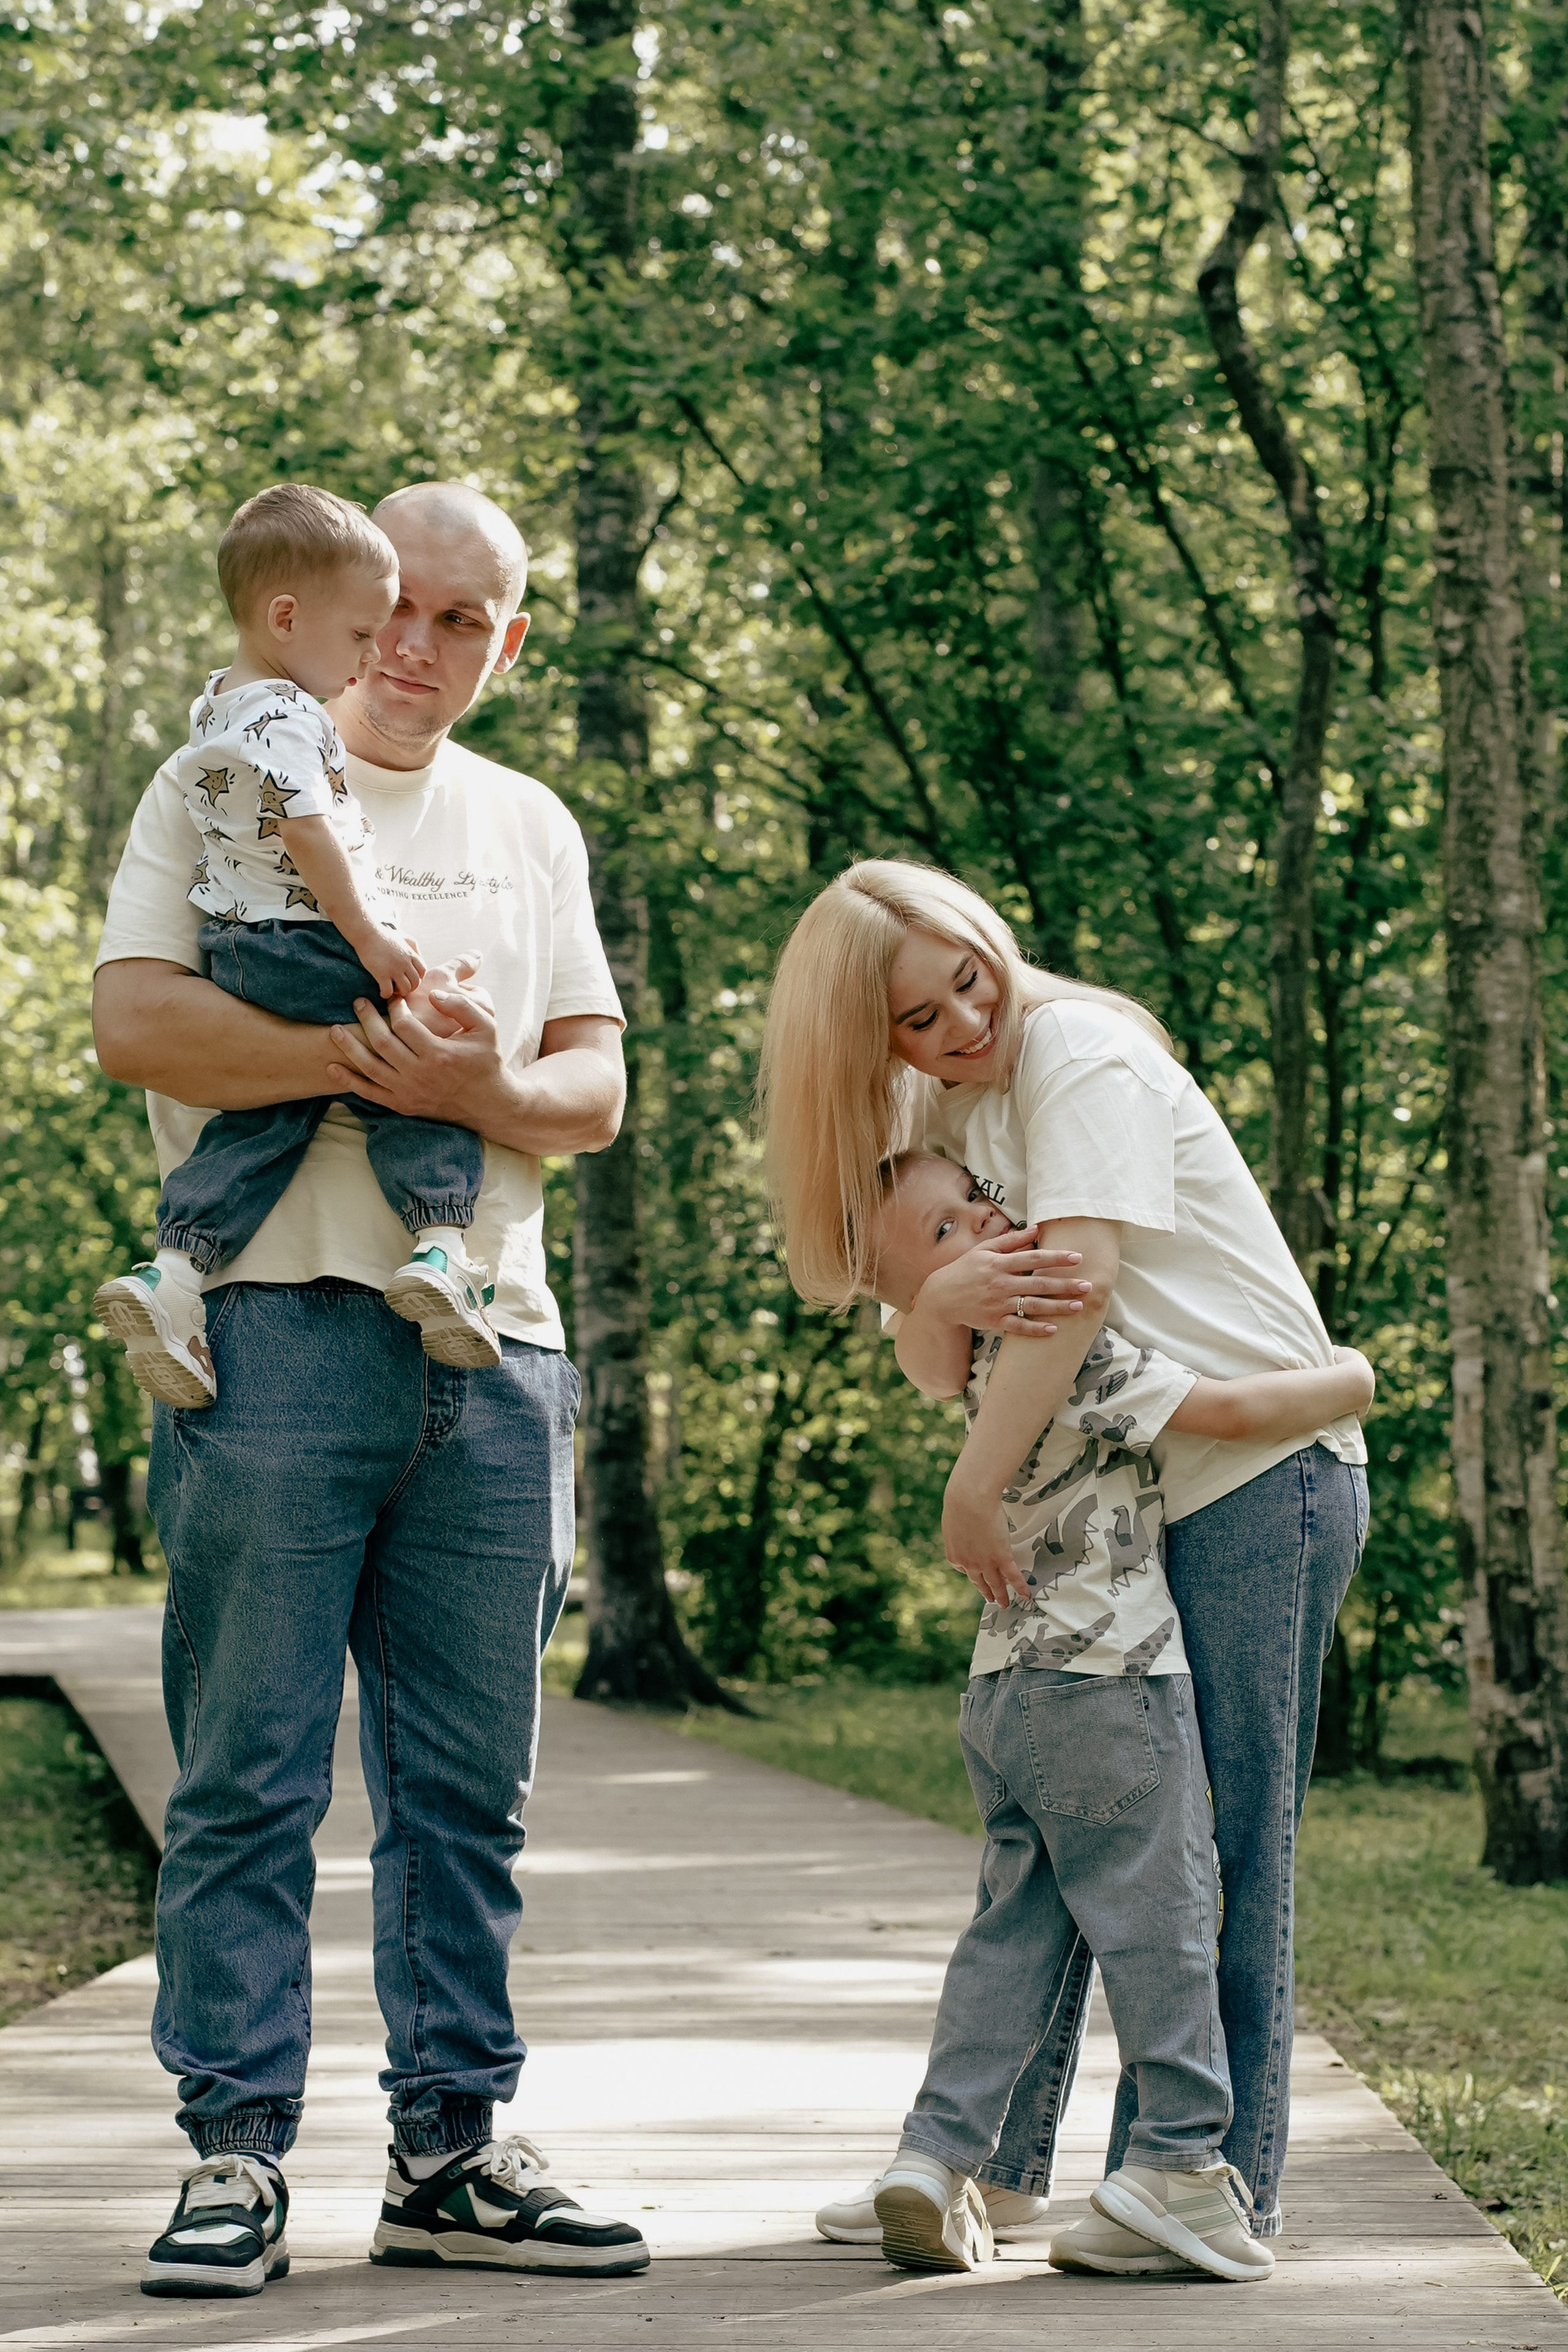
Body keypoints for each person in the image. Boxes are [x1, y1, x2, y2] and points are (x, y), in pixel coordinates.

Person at [92, 481, 652, 2296]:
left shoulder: (529, 823)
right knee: (250, 1779)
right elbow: (143, 1025)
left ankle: (452, 2154)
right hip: (264, 1338)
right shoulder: (224, 775)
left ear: (511, 640)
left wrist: (467, 1087)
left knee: (465, 1797)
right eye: (393, 607)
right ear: (330, 606)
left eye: (461, 622)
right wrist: (368, 1056)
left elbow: (590, 1097)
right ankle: (236, 2159)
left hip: (493, 1359)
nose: (414, 650)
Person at [760, 859, 1370, 2269]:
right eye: (915, 1019)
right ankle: (993, 2171)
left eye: (967, 975)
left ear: (989, 940)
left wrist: (973, 1491)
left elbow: (1075, 1289)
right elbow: (943, 1338)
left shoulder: (1079, 1055)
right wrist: (942, 1298)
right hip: (1158, 1498)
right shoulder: (965, 1112)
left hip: (1255, 1480)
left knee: (1223, 1851)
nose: (960, 1021)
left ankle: (1211, 2178)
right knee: (1097, 1832)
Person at [828, 1151, 1372, 2282]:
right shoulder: (1056, 1347)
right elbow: (1224, 1409)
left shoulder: (971, 1370)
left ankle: (937, 2157)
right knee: (1165, 1925)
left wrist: (929, 1286)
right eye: (948, 1232)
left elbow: (917, 1345)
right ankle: (1180, 2160)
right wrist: (1351, 1380)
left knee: (1014, 1932)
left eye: (981, 1199)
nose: (988, 1217)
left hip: (1004, 1694)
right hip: (1111, 1687)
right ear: (927, 1287)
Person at [94, 484, 500, 1409]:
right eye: (361, 636)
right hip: (305, 933)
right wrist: (378, 942)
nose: (372, 659)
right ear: (287, 617)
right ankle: (442, 1248)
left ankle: (175, 1274)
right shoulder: (288, 715)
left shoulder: (218, 707)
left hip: (241, 946)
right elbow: (307, 828)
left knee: (269, 1114)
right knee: (418, 1061)